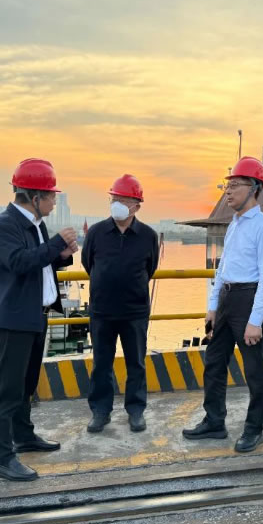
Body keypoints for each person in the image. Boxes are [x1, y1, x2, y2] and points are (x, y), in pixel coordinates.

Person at [0, 158, 78, 481]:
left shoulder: (35, 225)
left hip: (34, 317)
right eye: (51, 196)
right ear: (34, 197)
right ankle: (2, 459)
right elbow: (19, 262)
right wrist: (56, 244)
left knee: (25, 385)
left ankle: (23, 436)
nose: (54, 201)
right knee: (6, 391)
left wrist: (60, 257)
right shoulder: (5, 225)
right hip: (14, 320)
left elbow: (38, 264)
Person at [182, 157, 263, 453]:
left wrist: (255, 320)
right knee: (214, 362)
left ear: (254, 188)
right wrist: (213, 307)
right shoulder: (234, 225)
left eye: (235, 185)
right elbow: (222, 269)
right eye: (228, 185)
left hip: (249, 300)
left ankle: (254, 429)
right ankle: (214, 421)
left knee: (254, 370)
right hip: (227, 299)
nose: (228, 191)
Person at [83, 175, 159, 434]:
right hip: (102, 310)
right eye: (114, 199)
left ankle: (136, 411)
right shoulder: (96, 233)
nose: (117, 204)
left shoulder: (148, 236)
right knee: (101, 364)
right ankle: (100, 411)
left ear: (136, 205)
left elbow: (150, 268)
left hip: (135, 311)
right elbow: (88, 264)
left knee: (136, 363)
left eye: (124, 200)